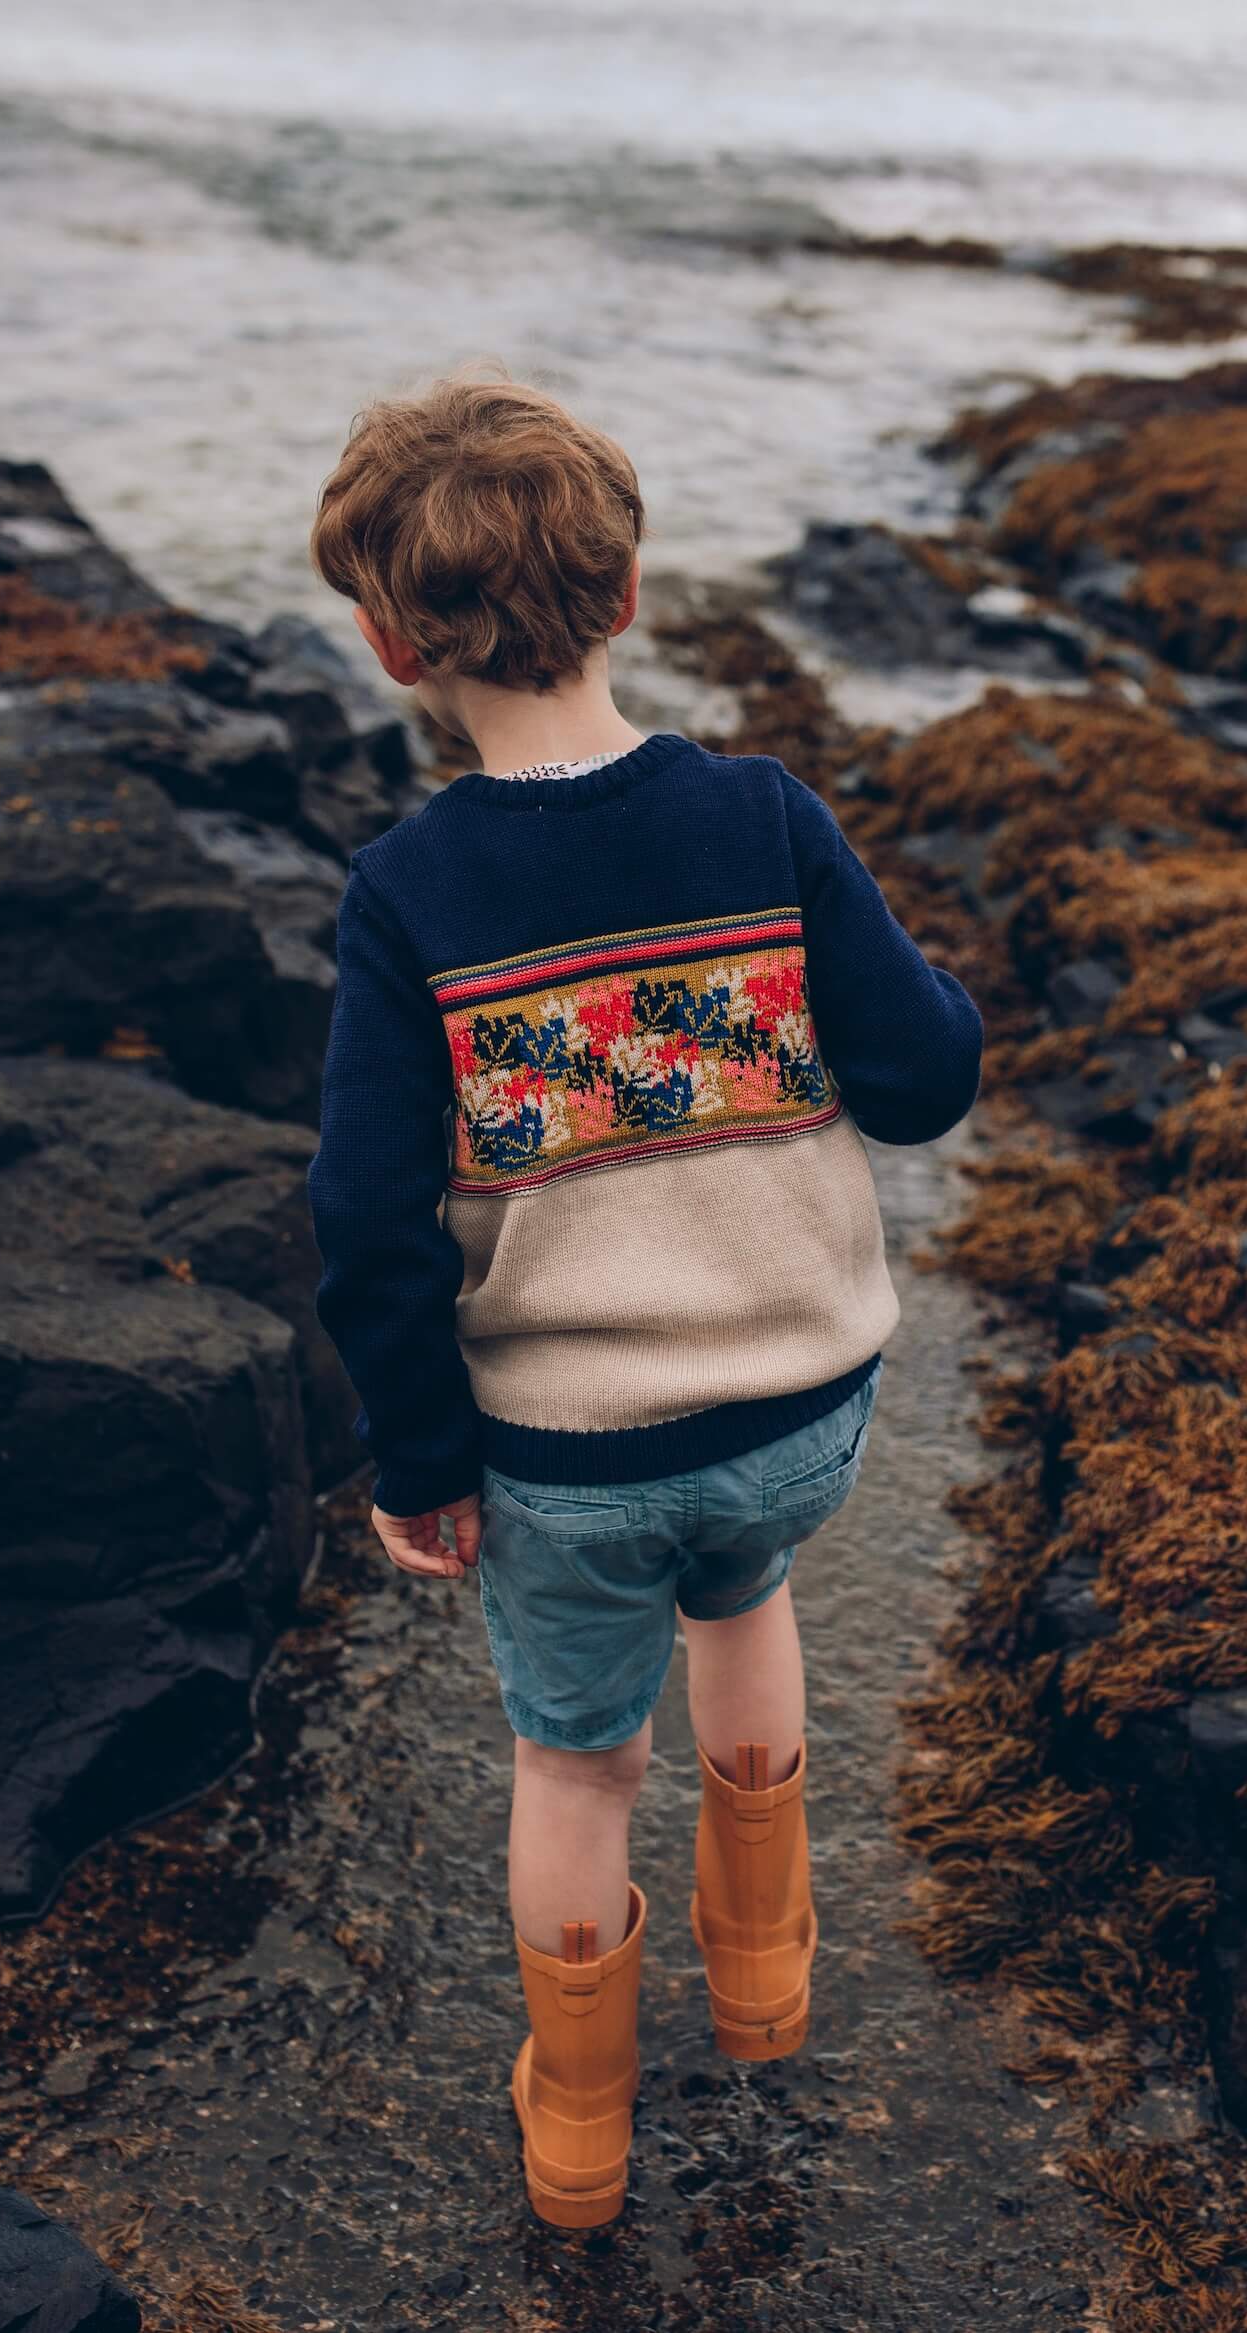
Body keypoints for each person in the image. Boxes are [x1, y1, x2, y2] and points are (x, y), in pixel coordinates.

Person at [306, 373, 981, 2230]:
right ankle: (762, 1982)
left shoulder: (408, 890)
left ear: (384, 645)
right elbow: (923, 1075)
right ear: (624, 594)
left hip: (567, 1454)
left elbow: (366, 1217)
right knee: (743, 1590)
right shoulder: (762, 819)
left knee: (573, 1760)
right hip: (795, 1419)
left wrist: (416, 1459)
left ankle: (582, 2135)